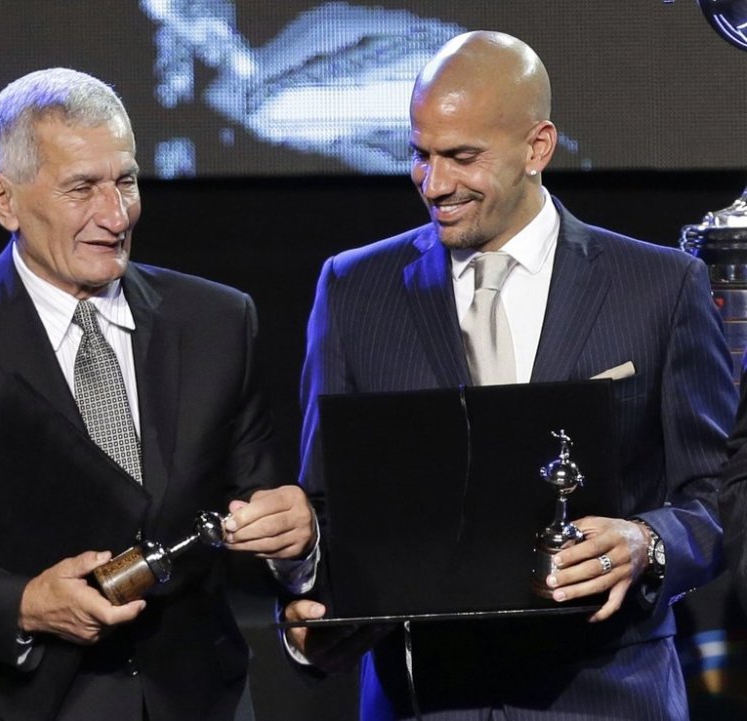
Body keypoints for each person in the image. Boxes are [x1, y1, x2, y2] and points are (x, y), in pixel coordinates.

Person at [284, 31, 736, 720]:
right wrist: (308, 598)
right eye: (420, 154)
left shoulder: (661, 287)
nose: (434, 185)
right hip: (423, 699)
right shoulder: (354, 290)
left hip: (606, 696)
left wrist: (647, 542)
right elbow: (326, 506)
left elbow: (713, 497)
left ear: (538, 148)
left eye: (462, 157)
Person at [0, 67, 316, 721]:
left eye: (124, 180)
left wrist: (293, 537)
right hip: (26, 703)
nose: (116, 214)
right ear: (2, 200)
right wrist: (25, 602)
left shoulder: (217, 321)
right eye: (82, 188)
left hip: (197, 699)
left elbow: (250, 521)